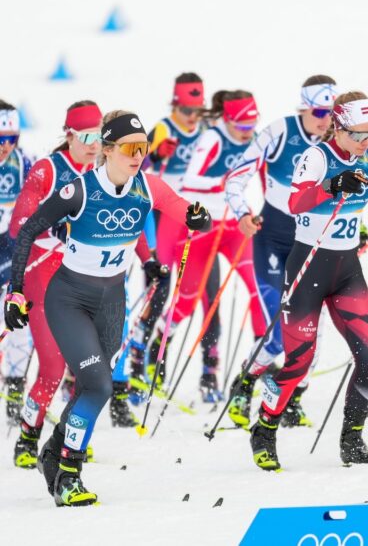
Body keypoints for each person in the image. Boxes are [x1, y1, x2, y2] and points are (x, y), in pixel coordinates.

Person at [3, 110, 210, 506]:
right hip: (69, 298)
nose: (138, 156)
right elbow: (28, 230)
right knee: (99, 384)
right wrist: (14, 293)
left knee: (88, 387)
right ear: (108, 150)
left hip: (113, 301)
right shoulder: (79, 190)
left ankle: (55, 448)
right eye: (130, 149)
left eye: (143, 149)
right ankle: (67, 474)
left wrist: (197, 217)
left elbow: (186, 210)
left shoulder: (148, 188)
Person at [248, 91, 368, 471]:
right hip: (308, 267)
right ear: (338, 127)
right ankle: (264, 429)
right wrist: (332, 186)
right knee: (297, 363)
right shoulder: (316, 156)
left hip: (347, 269)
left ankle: (352, 440)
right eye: (359, 135)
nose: (366, 143)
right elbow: (296, 203)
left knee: (367, 357)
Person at [224, 76, 337, 427]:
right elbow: (235, 178)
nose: (326, 120)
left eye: (332, 112)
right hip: (274, 239)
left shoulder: (338, 142)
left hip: (314, 244)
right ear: (304, 108)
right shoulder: (279, 132)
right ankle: (244, 383)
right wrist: (242, 213)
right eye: (320, 111)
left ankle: (291, 399)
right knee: (277, 333)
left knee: (311, 334)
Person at [148, 91, 267, 393]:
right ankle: (156, 345)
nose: (247, 132)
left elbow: (266, 176)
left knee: (259, 289)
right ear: (228, 120)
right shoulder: (211, 139)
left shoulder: (255, 140)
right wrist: (221, 182)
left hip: (234, 224)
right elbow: (190, 180)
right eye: (241, 126)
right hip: (203, 224)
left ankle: (259, 363)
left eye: (252, 125)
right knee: (187, 301)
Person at [10, 102, 104, 469]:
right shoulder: (49, 170)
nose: (95, 144)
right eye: (86, 137)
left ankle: (68, 433)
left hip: (86, 281)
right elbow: (20, 225)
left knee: (89, 368)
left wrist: (148, 258)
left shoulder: (102, 170)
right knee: (52, 368)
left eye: (100, 136)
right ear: (68, 134)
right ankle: (28, 435)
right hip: (44, 280)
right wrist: (54, 227)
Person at [129, 73, 219, 397]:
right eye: (186, 110)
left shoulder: (209, 131)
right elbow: (134, 170)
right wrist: (156, 154)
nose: (192, 117)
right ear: (175, 104)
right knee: (160, 293)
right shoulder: (163, 128)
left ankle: (207, 374)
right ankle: (138, 366)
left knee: (207, 293)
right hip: (163, 217)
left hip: (195, 219)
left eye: (197, 110)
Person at [0, 101, 33, 420]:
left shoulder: (23, 163)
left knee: (17, 320)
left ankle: (14, 387)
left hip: (10, 250)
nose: (6, 146)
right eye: (0, 139)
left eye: (12, 138)